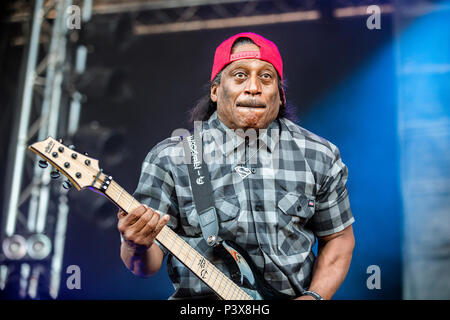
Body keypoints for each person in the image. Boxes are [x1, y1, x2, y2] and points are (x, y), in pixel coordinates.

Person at [117, 32, 355, 300]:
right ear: (215, 90)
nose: (253, 87)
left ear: (281, 95)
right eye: (240, 75)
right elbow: (144, 266)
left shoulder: (318, 155)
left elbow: (339, 238)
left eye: (266, 77)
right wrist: (134, 245)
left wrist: (314, 297)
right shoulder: (171, 158)